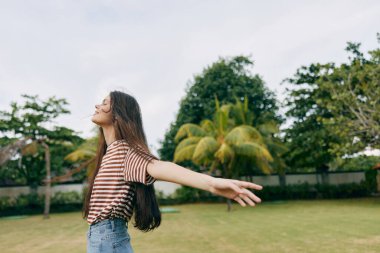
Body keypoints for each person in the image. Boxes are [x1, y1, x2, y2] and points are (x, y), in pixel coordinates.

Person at [85, 90, 263, 253]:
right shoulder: (111, 153)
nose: (97, 106)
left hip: (108, 237)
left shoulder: (125, 152)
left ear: (118, 114)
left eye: (105, 103)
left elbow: (159, 167)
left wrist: (212, 184)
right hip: (101, 237)